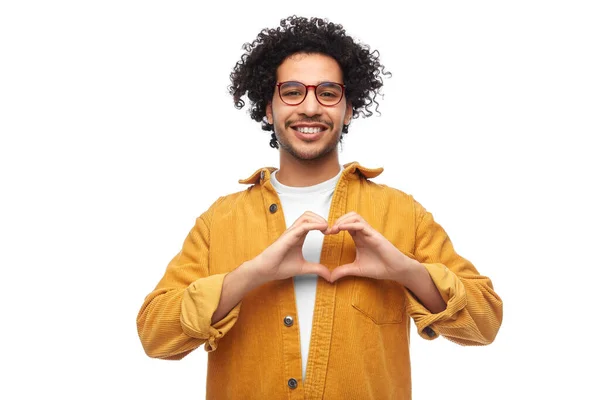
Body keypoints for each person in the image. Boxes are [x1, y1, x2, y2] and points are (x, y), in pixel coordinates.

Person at [136, 15, 503, 400]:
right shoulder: (219, 221)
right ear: (267, 107)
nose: (310, 107)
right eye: (292, 91)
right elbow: (155, 337)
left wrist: (407, 272)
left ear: (349, 109)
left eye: (328, 93)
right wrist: (250, 276)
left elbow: (485, 324)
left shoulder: (402, 213)